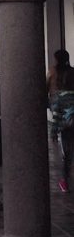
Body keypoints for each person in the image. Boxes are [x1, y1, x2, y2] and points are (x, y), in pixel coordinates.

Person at [48, 49, 74, 192]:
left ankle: (65, 180)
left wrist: (53, 131)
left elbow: (57, 114)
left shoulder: (53, 72)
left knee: (67, 151)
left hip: (64, 121)